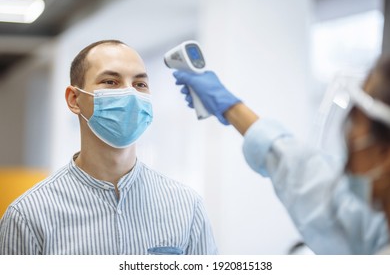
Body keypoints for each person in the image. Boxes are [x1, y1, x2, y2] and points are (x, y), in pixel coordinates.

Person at [0, 40, 217, 255]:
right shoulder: (29, 215)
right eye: (111, 82)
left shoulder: (187, 207)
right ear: (74, 99)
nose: (130, 94)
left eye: (140, 84)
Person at [172, 57, 390, 254]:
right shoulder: (376, 223)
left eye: (357, 123)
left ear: (384, 153)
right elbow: (314, 181)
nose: (349, 136)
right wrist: (230, 107)